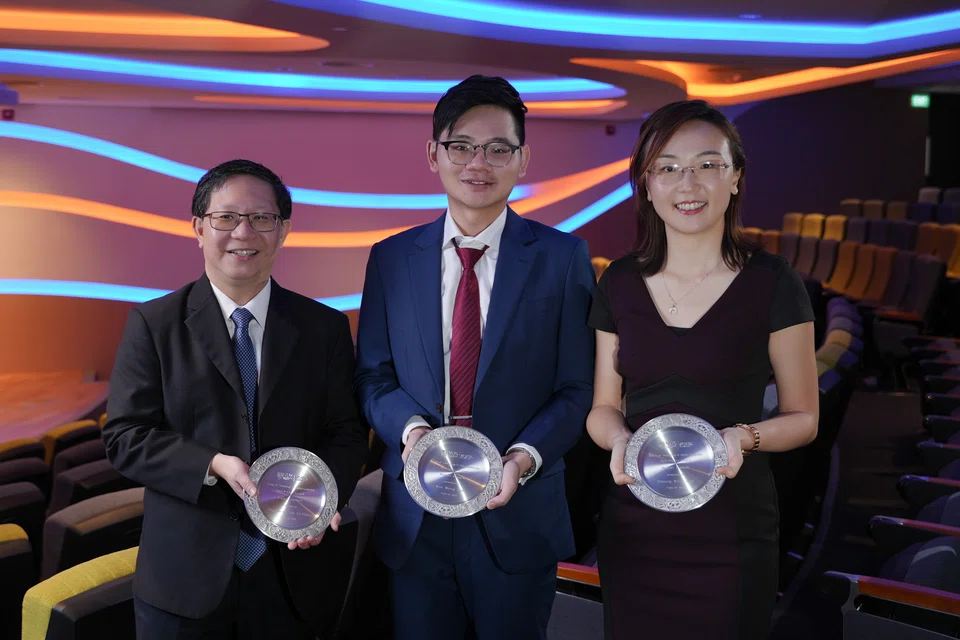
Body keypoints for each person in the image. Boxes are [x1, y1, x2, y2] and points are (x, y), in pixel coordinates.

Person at [354, 75, 594, 640]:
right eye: (461, 146)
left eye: (498, 148)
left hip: (518, 509)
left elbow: (577, 387)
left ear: (523, 159)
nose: (478, 163)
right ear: (434, 154)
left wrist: (521, 458)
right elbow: (372, 375)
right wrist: (412, 434)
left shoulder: (563, 258)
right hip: (417, 514)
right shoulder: (390, 259)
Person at [102, 159, 369, 640]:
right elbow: (125, 437)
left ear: (283, 230)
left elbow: (346, 432)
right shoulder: (153, 324)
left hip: (294, 574)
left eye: (261, 218)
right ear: (199, 228)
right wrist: (212, 464)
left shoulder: (323, 328)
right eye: (226, 217)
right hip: (183, 581)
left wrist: (324, 497)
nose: (243, 232)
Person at [586, 100, 819, 639]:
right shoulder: (617, 282)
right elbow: (602, 407)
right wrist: (619, 438)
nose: (687, 183)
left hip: (731, 530)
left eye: (707, 164)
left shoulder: (773, 281)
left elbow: (804, 416)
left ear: (735, 177)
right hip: (635, 527)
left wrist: (745, 436)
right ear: (644, 184)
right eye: (667, 167)